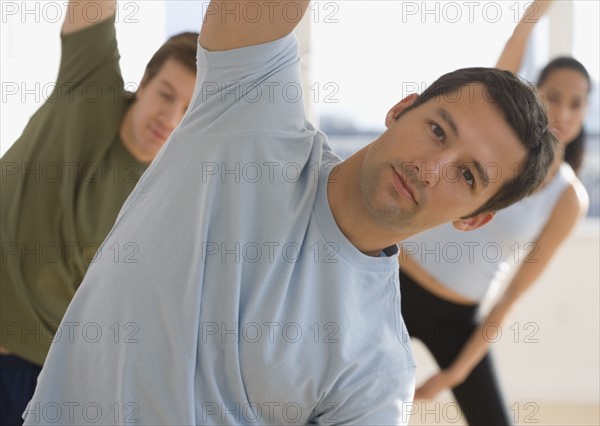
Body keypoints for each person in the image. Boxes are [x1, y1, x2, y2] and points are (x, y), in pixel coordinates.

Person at [23, 1, 558, 424]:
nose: (431, 167)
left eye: (468, 176)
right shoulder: (250, 110)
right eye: (438, 130)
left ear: (474, 218)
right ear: (401, 109)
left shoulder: (377, 370)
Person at [0, 1, 198, 423]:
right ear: (144, 82)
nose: (169, 117)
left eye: (187, 112)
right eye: (165, 95)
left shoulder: (169, 200)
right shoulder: (89, 86)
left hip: (32, 373)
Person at [398, 1, 590, 424]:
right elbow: (510, 58)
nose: (562, 113)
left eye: (576, 104)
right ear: (533, 93)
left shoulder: (569, 199)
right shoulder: (495, 142)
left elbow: (512, 295)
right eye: (553, 97)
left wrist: (455, 372)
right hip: (393, 283)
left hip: (458, 317)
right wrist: (535, 13)